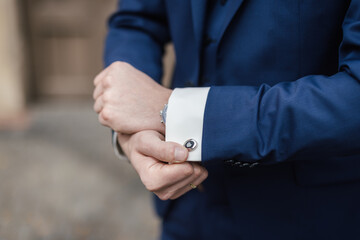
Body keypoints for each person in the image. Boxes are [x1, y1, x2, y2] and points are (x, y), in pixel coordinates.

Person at [93, 0, 360, 239]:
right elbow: (137, 21)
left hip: (310, 215)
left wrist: (172, 110)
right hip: (185, 210)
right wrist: (133, 132)